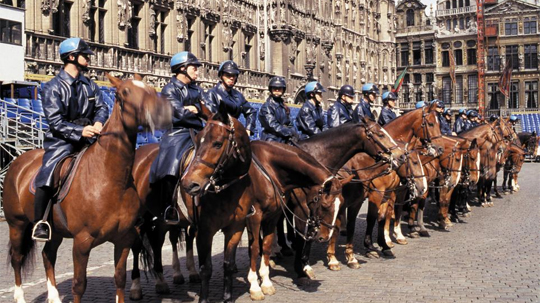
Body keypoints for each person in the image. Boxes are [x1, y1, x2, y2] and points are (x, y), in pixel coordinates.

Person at [32, 37, 109, 241]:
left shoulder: (90, 85)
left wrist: (99, 123)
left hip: (90, 136)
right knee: (49, 172)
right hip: (62, 140)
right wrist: (79, 131)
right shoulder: (53, 87)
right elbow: (55, 122)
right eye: (85, 55)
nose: (88, 59)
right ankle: (40, 221)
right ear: (72, 57)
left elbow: (102, 107)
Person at [149, 51, 204, 223]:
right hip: (177, 134)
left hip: (197, 132)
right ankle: (168, 207)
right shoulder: (169, 89)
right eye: (194, 68)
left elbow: (206, 109)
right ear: (182, 69)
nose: (197, 72)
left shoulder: (197, 89)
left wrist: (198, 110)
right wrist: (194, 112)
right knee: (172, 166)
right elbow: (179, 114)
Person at [205, 60, 256, 135]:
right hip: (219, 134)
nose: (232, 78)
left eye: (234, 75)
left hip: (235, 133)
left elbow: (251, 111)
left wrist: (248, 128)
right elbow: (212, 118)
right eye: (228, 75)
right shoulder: (212, 94)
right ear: (221, 75)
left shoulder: (238, 95)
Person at [258, 76, 298, 143]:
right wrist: (288, 132)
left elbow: (290, 123)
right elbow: (272, 125)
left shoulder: (284, 106)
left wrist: (293, 131)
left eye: (279, 88)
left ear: (283, 90)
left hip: (284, 137)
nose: (277, 90)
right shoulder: (267, 106)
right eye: (275, 88)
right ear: (271, 89)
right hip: (271, 137)